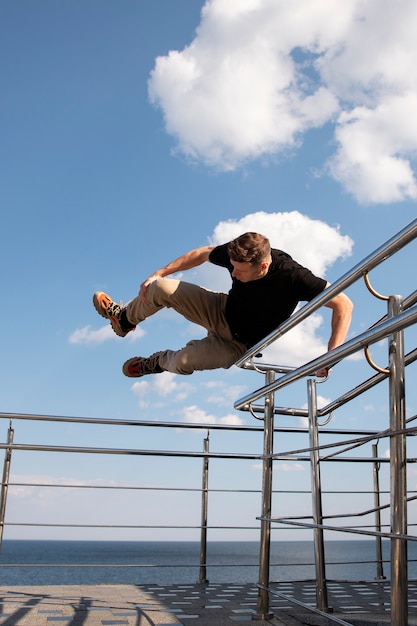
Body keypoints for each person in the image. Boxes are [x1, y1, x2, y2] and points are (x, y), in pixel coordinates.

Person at [93, 232, 353, 379]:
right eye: (232, 268)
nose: (233, 274)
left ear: (263, 266)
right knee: (160, 287)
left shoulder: (294, 276)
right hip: (221, 310)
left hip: (238, 344)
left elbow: (343, 304)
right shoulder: (236, 254)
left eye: (240, 271)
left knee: (183, 360)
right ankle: (124, 320)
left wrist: (330, 357)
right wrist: (158, 272)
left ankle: (157, 363)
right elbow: (204, 253)